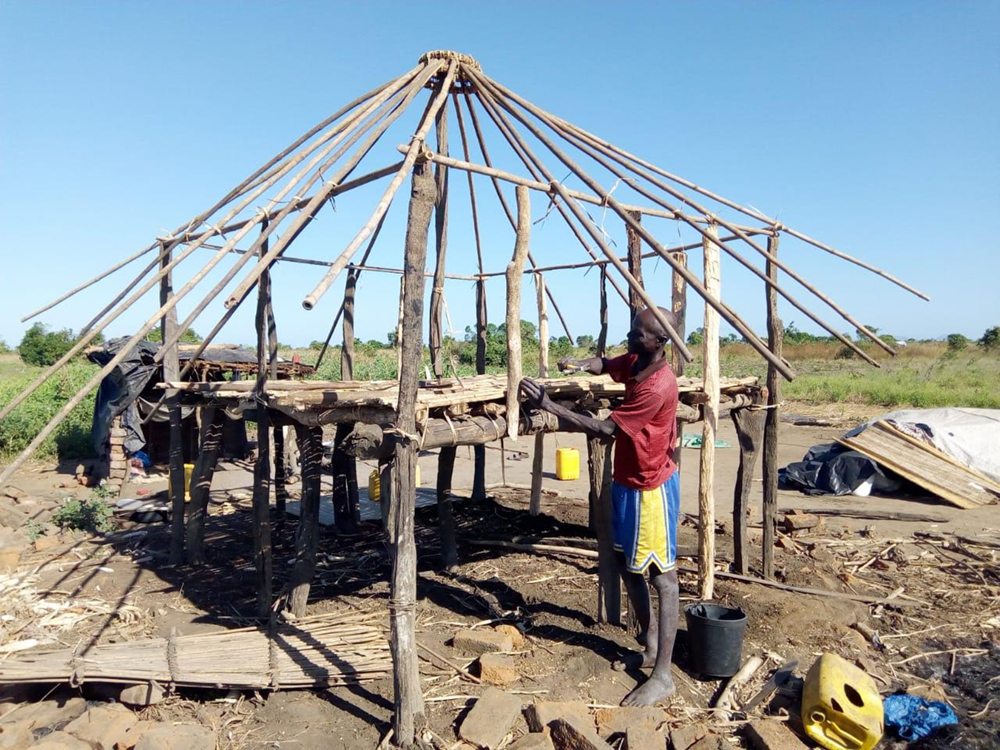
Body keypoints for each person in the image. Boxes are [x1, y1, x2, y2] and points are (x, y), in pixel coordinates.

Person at [519, 306, 680, 707]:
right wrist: (579, 363)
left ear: (660, 342)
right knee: (629, 566)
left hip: (650, 488)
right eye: (631, 330)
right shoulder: (639, 362)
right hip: (628, 481)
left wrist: (550, 405)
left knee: (664, 579)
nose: (630, 337)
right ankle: (650, 642)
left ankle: (663, 676)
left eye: (639, 334)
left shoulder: (658, 385)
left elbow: (607, 429)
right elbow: (607, 363)